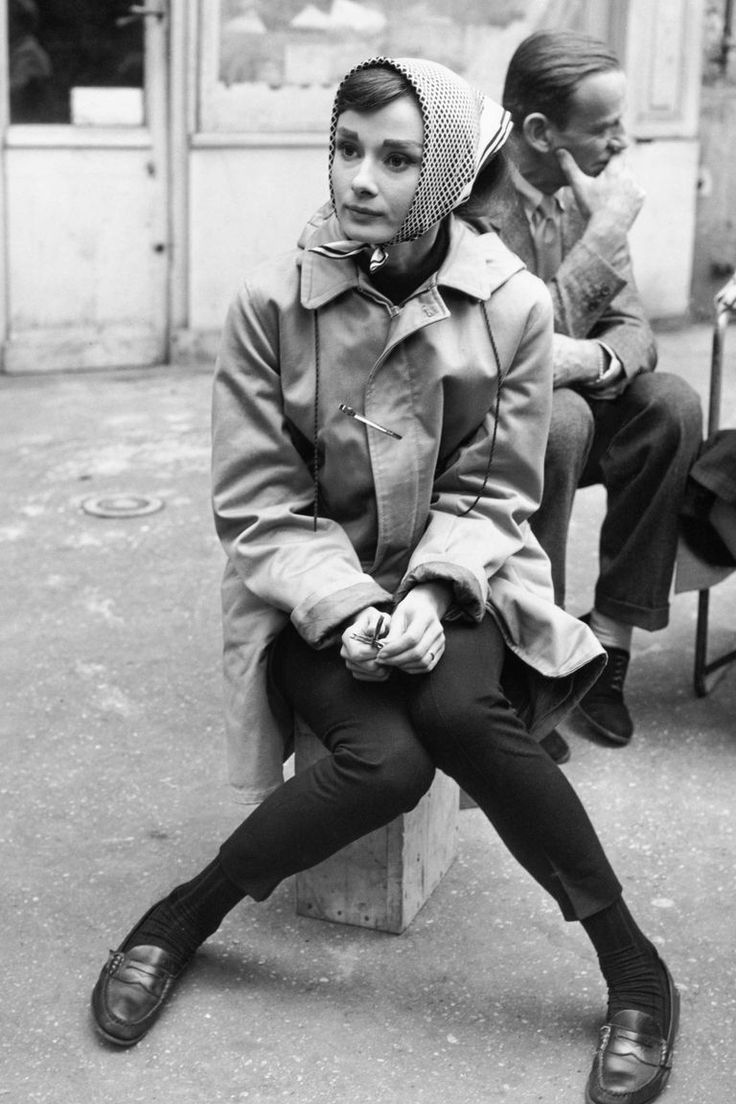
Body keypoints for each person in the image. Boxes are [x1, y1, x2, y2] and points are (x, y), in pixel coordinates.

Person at [91, 57, 678, 1104]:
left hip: (463, 578)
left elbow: (497, 488)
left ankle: (633, 969)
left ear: (447, 173)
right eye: (347, 147)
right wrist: (355, 606)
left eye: (397, 158)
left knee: (462, 709)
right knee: (386, 763)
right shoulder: (271, 302)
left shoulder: (510, 305)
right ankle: (179, 920)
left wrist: (428, 594)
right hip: (305, 592)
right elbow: (257, 504)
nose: (358, 178)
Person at [464, 30, 703, 761]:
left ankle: (606, 643)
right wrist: (605, 233)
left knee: (672, 405)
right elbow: (513, 347)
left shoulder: (583, 197)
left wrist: (591, 357)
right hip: (477, 431)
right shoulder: (471, 198)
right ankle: (533, 660)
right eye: (603, 127)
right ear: (540, 131)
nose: (622, 142)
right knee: (561, 419)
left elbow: (636, 333)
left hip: (559, 398)